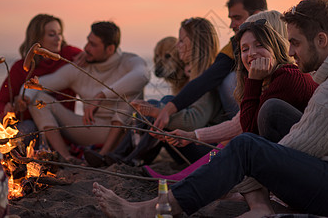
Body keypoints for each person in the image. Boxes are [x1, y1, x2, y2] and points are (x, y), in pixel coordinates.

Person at [92, 0, 328, 218]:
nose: (291, 51)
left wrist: (227, 177)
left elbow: (282, 154)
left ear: (321, 40)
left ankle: (153, 210)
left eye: (295, 43)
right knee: (247, 147)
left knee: (246, 148)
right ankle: (251, 202)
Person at [145, 10, 317, 181]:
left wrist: (253, 82)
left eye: (259, 44)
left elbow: (247, 133)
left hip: (302, 166)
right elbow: (239, 124)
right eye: (245, 48)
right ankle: (189, 176)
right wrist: (192, 136)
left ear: (274, 39)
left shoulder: (286, 78)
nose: (251, 53)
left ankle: (191, 177)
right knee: (227, 144)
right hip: (282, 156)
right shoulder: (270, 78)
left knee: (233, 143)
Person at [85, 17, 228, 167]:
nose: (177, 46)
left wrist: (156, 112)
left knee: (164, 102)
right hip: (191, 148)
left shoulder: (206, 79)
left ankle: (127, 158)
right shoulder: (196, 75)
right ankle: (121, 156)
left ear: (195, 45)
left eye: (181, 41)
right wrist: (155, 111)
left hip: (209, 154)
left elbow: (193, 122)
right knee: (159, 106)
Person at [21, 21, 150, 163]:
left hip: (124, 134)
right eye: (88, 41)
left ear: (110, 49)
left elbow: (142, 76)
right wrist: (25, 98)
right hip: (92, 130)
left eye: (93, 45)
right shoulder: (82, 67)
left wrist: (101, 95)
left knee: (131, 93)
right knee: (38, 97)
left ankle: (103, 154)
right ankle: (65, 157)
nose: (86, 48)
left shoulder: (129, 61)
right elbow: (39, 83)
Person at [155, 0, 268, 128]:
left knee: (229, 80)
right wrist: (169, 108)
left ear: (257, 15)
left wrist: (165, 110)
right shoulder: (234, 45)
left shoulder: (279, 42)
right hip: (239, 123)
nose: (231, 25)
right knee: (166, 103)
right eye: (230, 19)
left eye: (237, 18)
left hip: (263, 121)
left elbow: (194, 120)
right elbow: (209, 77)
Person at [0, 14, 82, 132]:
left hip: (62, 127)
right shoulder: (21, 67)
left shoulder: (69, 55)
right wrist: (6, 110)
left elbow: (95, 57)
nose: (58, 38)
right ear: (37, 39)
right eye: (51, 34)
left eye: (59, 33)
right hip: (29, 124)